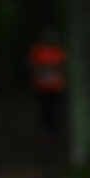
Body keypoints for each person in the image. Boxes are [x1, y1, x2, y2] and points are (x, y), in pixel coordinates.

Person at [27, 28, 67, 161]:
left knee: (55, 111)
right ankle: (45, 137)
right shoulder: (37, 51)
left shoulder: (58, 51)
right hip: (41, 88)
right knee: (44, 112)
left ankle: (55, 136)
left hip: (56, 88)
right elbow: (33, 67)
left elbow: (63, 67)